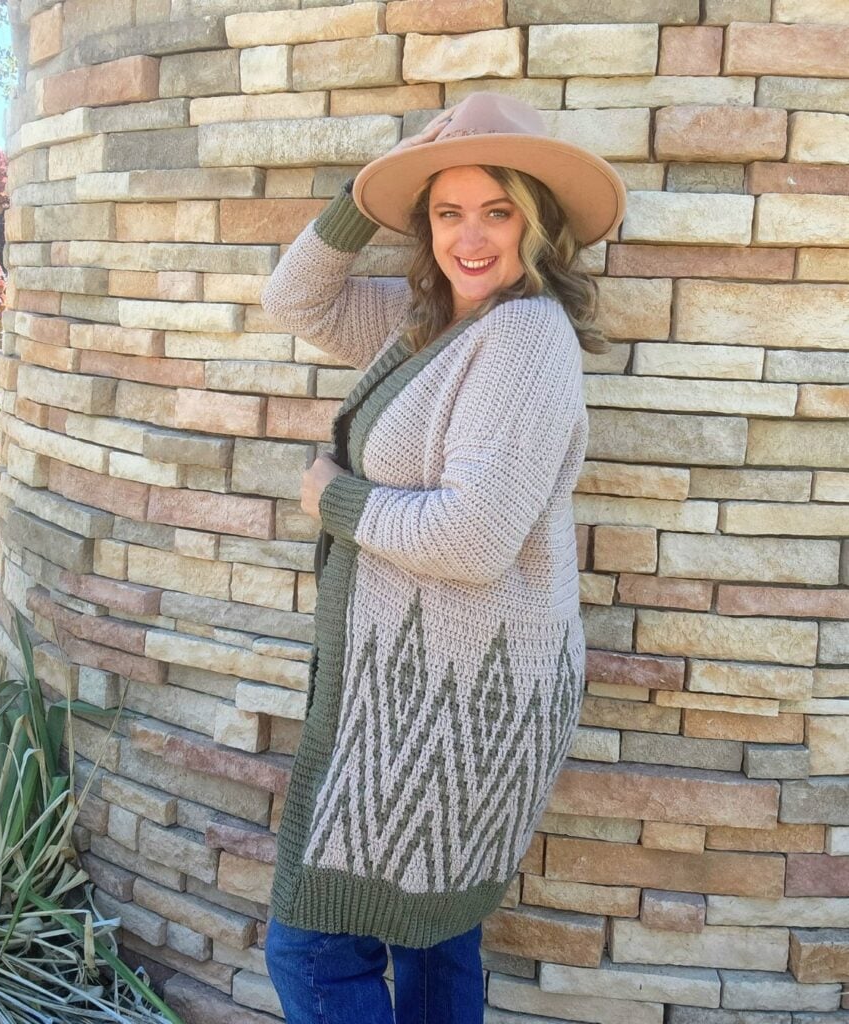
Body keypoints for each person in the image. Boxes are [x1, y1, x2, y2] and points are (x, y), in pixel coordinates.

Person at [258, 92, 626, 1024]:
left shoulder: (526, 337)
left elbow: (471, 539)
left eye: (497, 212)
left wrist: (331, 497)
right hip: (428, 696)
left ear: (536, 226)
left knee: (309, 946)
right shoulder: (427, 318)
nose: (471, 237)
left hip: (452, 707)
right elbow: (293, 298)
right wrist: (362, 195)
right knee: (428, 939)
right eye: (447, 211)